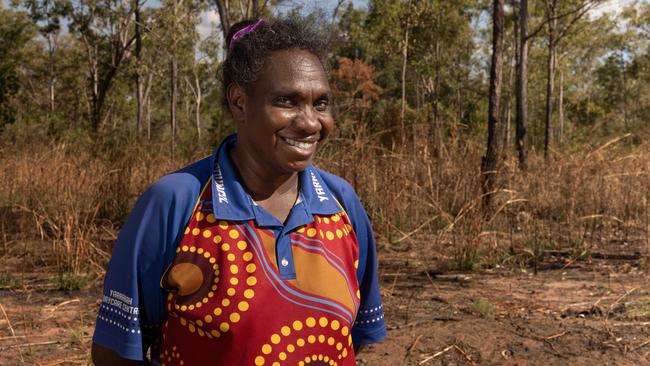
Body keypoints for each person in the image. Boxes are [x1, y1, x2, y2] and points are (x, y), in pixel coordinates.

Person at [91, 17, 386, 366]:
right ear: (239, 103)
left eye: (320, 103)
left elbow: (348, 341)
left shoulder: (341, 205)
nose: (309, 122)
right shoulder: (175, 203)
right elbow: (115, 353)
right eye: (287, 101)